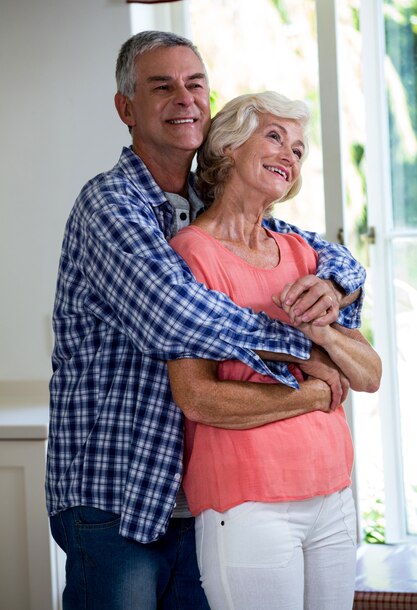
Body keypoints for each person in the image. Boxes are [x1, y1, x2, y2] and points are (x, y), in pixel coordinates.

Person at [45, 31, 367, 610]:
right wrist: (304, 353)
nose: (185, 98)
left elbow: (328, 256)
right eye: (161, 87)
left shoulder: (207, 205)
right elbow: (174, 315)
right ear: (126, 108)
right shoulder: (110, 205)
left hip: (193, 494)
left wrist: (335, 286)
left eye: (196, 85)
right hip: (116, 493)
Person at [168, 91, 382, 610]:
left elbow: (369, 374)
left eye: (300, 149)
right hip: (248, 502)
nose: (290, 154)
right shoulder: (192, 254)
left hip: (331, 493)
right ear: (228, 147)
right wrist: (310, 396)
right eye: (274, 137)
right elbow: (197, 398)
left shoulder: (302, 253)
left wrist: (325, 334)